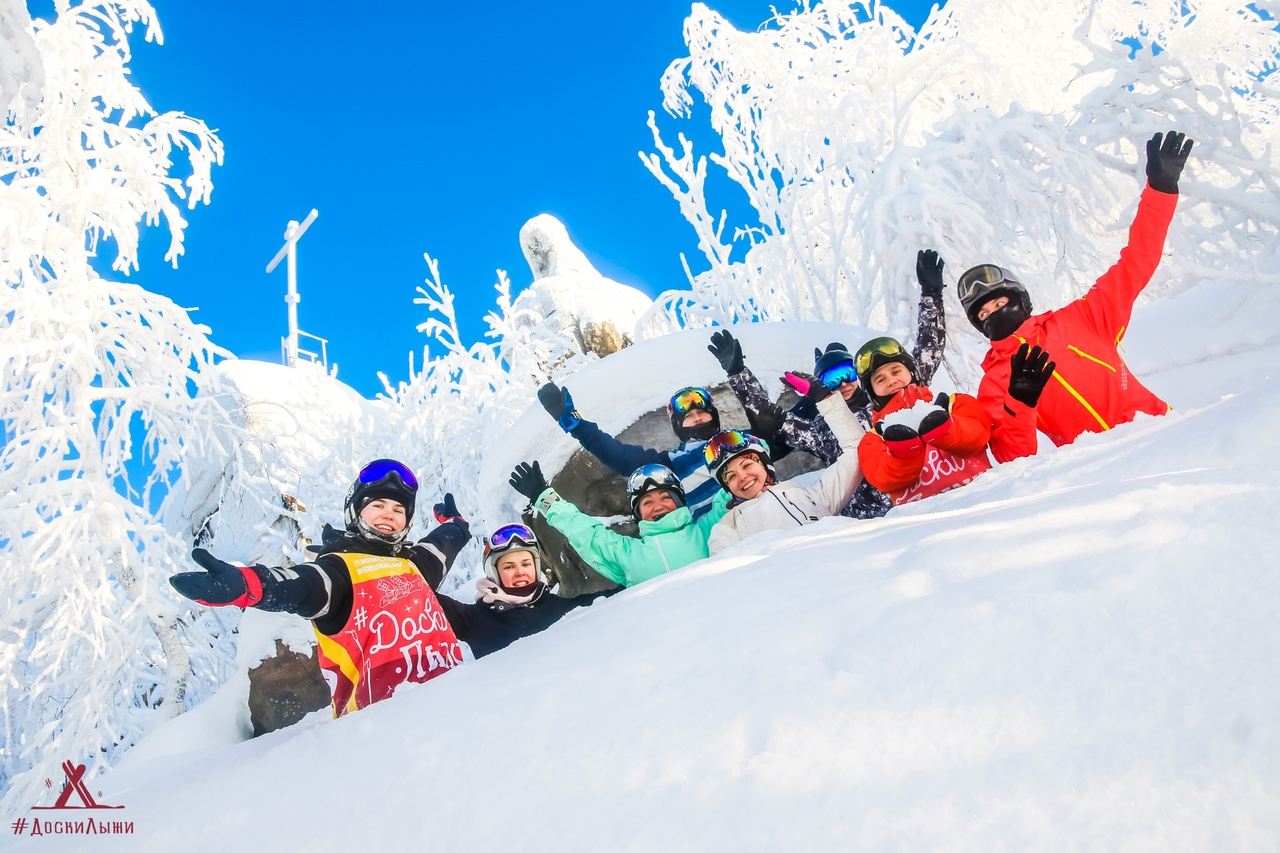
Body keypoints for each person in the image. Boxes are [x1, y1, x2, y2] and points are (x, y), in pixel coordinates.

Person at [961, 130, 1194, 462]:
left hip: (1164, 431)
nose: (995, 314)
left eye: (1000, 303)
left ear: (1022, 301)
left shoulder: (1083, 318)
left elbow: (1137, 262)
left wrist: (1161, 191)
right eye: (984, 314)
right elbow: (1013, 456)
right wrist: (1020, 402)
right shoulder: (996, 383)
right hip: (1101, 468)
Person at [169, 459, 469, 718]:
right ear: (354, 512)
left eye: (398, 509)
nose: (388, 514)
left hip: (454, 706)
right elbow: (299, 585)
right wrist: (247, 584)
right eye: (377, 505)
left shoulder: (415, 565)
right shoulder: (339, 571)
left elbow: (444, 542)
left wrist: (455, 523)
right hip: (382, 727)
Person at [706, 249, 948, 519]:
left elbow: (928, 349)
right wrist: (738, 372)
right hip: (871, 524)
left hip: (928, 501)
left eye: (846, 373)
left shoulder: (890, 394)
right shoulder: (823, 432)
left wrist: (931, 294)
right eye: (831, 380)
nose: (841, 384)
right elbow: (770, 414)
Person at [508, 461, 730, 587]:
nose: (658, 506)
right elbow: (584, 532)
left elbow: (732, 490)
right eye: (647, 502)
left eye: (665, 498)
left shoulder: (708, 530)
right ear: (638, 514)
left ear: (680, 502)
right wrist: (543, 497)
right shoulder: (627, 553)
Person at [706, 380, 865, 554]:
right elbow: (726, 570)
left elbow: (857, 452)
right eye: (731, 477)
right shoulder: (727, 530)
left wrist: (827, 400)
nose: (742, 477)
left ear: (764, 464)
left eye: (747, 465)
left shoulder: (809, 496)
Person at [535, 383, 723, 518]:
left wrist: (737, 375)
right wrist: (577, 426)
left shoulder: (737, 440)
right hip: (714, 540)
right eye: (688, 416)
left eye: (702, 412)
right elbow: (620, 456)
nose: (697, 418)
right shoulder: (671, 464)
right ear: (678, 426)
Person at [429, 524, 612, 659]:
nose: (520, 572)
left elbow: (627, 593)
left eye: (526, 564)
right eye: (509, 567)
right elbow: (418, 589)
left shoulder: (567, 607)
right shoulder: (473, 620)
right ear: (494, 573)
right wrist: (455, 528)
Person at [853, 336, 993, 504]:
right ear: (872, 393)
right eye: (880, 380)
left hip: (985, 501)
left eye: (896, 371)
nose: (891, 381)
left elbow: (979, 435)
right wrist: (904, 454)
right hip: (924, 517)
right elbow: (883, 479)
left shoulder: (956, 404)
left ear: (912, 372)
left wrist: (948, 429)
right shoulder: (873, 440)